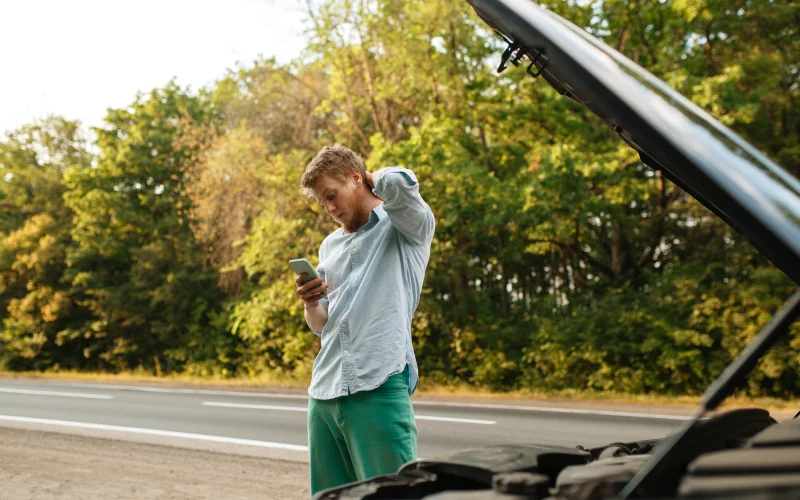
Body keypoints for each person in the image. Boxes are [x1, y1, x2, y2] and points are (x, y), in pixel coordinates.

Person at [296, 144, 435, 497]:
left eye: (332, 195)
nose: (329, 208)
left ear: (356, 178)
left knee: (393, 494)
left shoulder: (406, 226)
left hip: (378, 385)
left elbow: (403, 184)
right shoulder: (329, 246)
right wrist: (311, 304)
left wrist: (374, 178)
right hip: (324, 391)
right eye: (322, 202)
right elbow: (323, 324)